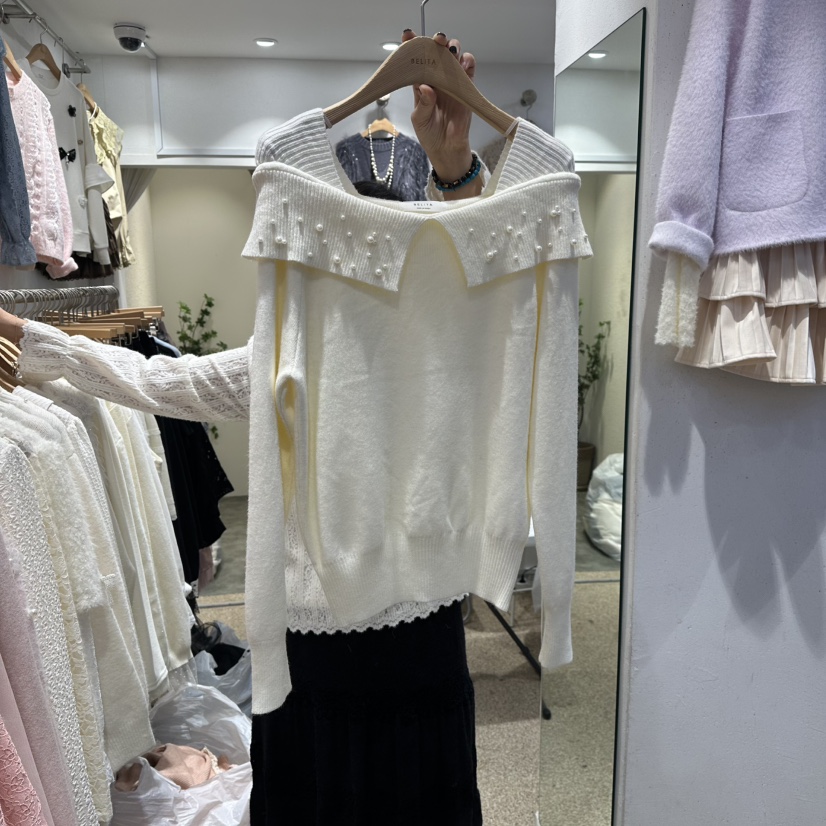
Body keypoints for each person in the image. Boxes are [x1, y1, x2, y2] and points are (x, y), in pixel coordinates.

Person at [0, 31, 488, 826]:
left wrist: (457, 171)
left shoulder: (448, 342)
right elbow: (160, 380)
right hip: (311, 648)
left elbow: (495, 301)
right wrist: (33, 342)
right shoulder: (287, 351)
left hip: (414, 636)